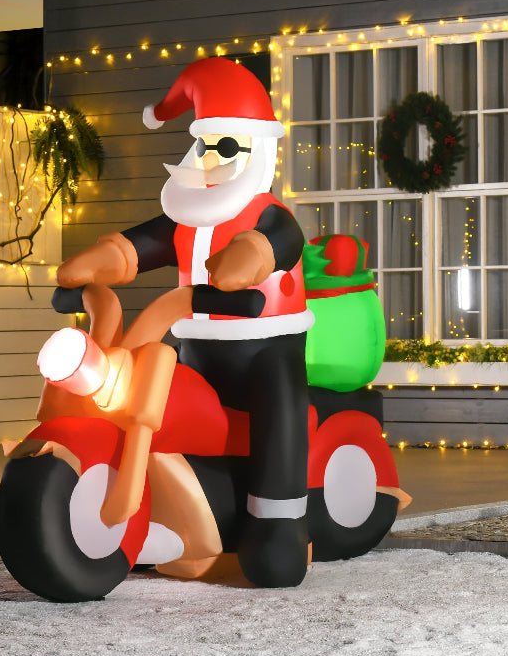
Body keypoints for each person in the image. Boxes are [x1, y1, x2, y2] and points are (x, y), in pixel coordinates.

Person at [55, 57, 314, 587]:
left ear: (256, 149)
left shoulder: (269, 213)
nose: (211, 160)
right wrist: (96, 263)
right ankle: (172, 502)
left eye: (226, 147)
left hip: (266, 348)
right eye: (203, 145)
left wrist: (248, 260)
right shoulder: (185, 216)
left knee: (278, 413)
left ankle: (279, 521)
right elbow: (133, 248)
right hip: (197, 345)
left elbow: (273, 245)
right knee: (163, 402)